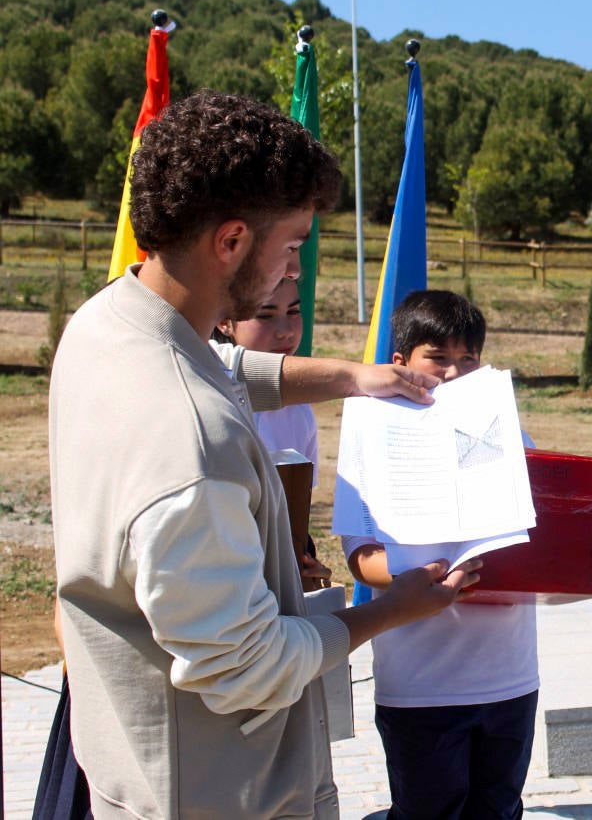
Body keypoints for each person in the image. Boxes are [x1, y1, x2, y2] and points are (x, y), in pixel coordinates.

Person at [49, 90, 481, 819]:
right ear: (231, 241)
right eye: (291, 246)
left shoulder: (105, 324)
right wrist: (386, 610)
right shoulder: (190, 437)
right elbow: (244, 667)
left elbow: (222, 368)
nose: (292, 271)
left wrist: (354, 375)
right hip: (226, 791)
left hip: (141, 769)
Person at [340, 289, 592, 820]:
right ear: (400, 362)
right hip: (420, 687)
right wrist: (424, 579)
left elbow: (541, 558)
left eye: (467, 359)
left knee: (498, 811)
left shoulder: (512, 435)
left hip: (509, 680)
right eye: (437, 357)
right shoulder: (372, 435)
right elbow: (360, 558)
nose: (452, 372)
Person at [217, 276, 332, 587]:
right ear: (225, 322)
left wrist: (305, 564)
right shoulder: (212, 400)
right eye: (265, 315)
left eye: (294, 312)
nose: (284, 330)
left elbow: (294, 517)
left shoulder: (299, 410)